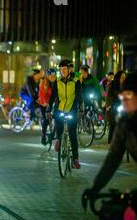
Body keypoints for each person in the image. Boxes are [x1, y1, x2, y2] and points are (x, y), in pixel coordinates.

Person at [82, 72, 137, 203]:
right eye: (122, 96)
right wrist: (95, 188)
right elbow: (113, 159)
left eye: (129, 95)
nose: (125, 100)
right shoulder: (124, 123)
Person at [47, 59, 83, 169]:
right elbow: (53, 97)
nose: (63, 71)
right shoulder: (57, 82)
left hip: (72, 109)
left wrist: (80, 109)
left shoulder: (76, 81)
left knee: (72, 134)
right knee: (58, 122)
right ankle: (58, 138)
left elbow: (79, 96)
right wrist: (48, 108)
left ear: (69, 69)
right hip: (60, 108)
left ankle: (75, 159)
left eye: (65, 69)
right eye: (61, 69)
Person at [106, 71, 127, 144]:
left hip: (123, 107)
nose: (123, 79)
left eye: (125, 78)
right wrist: (110, 105)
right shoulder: (112, 86)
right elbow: (109, 98)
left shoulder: (126, 87)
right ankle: (111, 142)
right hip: (114, 108)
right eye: (122, 78)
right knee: (114, 124)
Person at [37, 68, 55, 145]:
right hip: (44, 104)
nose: (52, 77)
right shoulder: (44, 83)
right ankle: (43, 135)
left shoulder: (56, 83)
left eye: (54, 75)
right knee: (46, 119)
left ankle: (53, 135)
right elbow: (42, 95)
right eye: (50, 76)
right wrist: (45, 103)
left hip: (53, 103)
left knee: (58, 118)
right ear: (47, 76)